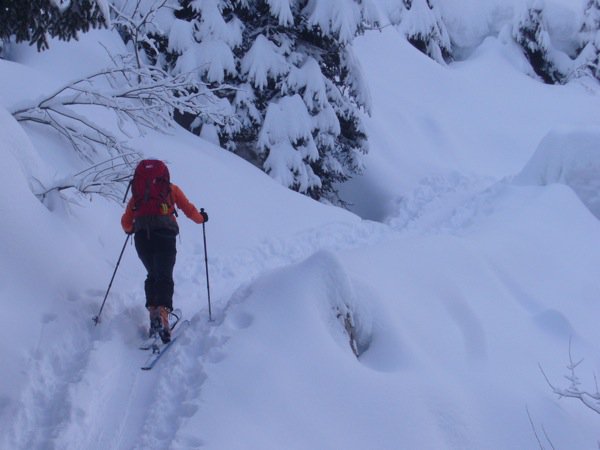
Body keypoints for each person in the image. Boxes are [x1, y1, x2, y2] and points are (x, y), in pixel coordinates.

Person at [121, 159, 208, 343]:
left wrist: (132, 228)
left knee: (152, 275)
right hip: (165, 238)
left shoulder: (137, 196)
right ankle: (163, 317)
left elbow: (126, 223)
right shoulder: (171, 190)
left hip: (142, 239)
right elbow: (189, 210)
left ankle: (153, 315)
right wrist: (202, 218)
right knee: (164, 276)